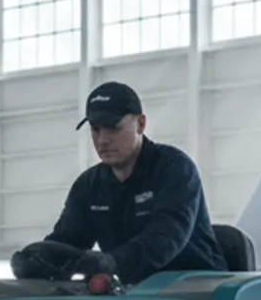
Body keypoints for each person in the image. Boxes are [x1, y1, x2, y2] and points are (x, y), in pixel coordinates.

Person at [41, 81, 226, 284]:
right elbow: (68, 239)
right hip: (134, 295)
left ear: (141, 124)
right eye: (95, 129)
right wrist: (42, 259)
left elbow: (167, 236)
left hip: (194, 290)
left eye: (113, 128)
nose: (102, 140)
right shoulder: (89, 186)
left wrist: (114, 263)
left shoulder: (175, 169)